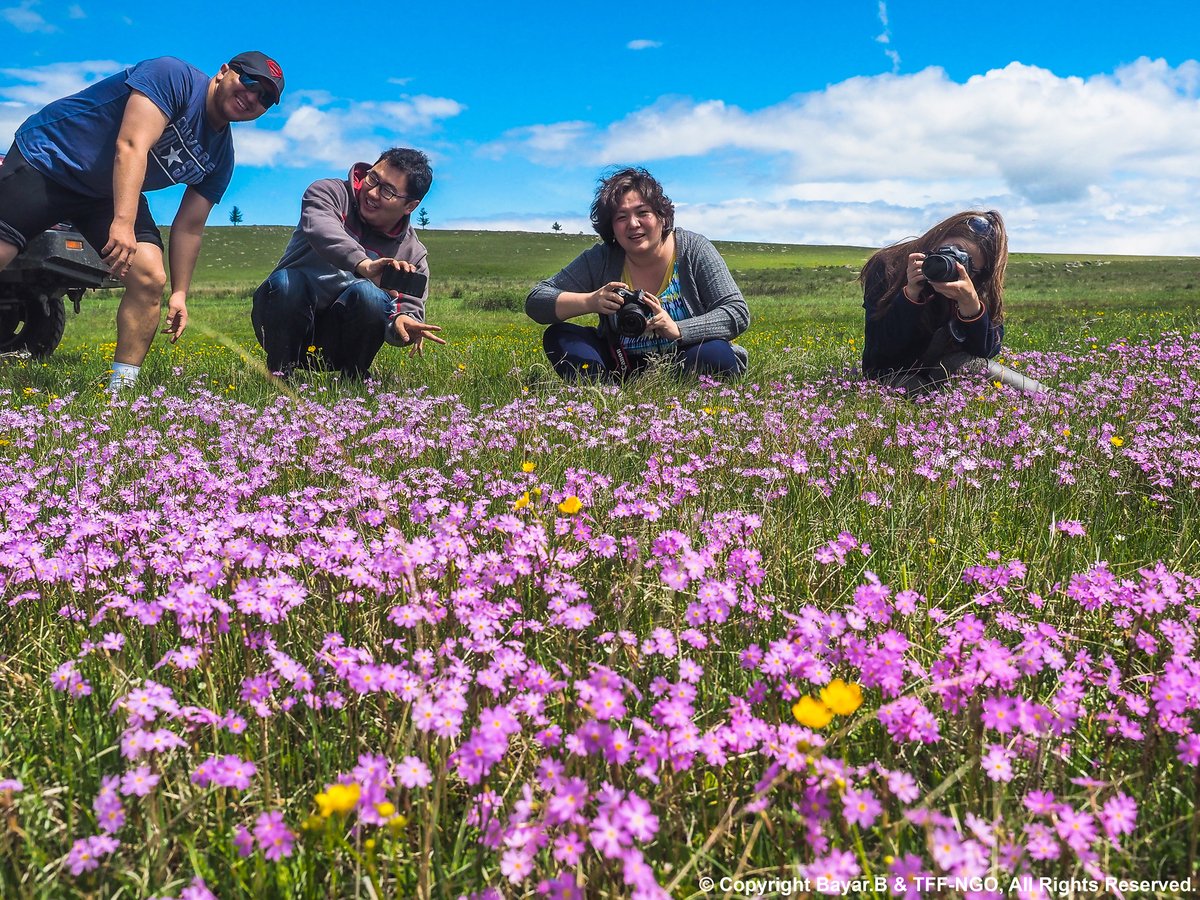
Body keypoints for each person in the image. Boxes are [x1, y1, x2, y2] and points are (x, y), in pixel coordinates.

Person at [0, 52, 285, 390]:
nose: (253, 96)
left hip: (102, 194)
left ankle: (122, 394)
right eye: (250, 81)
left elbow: (189, 227)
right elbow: (132, 145)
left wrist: (179, 294)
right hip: (50, 159)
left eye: (266, 97)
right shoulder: (172, 76)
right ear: (224, 71)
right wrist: (123, 222)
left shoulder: (221, 158)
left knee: (150, 277)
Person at [526, 167, 749, 381]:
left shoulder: (693, 249)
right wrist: (591, 301)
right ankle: (605, 390)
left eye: (643, 213)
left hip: (686, 356)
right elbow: (536, 301)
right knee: (560, 336)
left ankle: (679, 386)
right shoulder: (603, 258)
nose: (633, 224)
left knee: (713, 354)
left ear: (662, 217)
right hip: (621, 363)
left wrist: (679, 329)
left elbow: (737, 312)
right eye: (621, 217)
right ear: (611, 227)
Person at [251, 148, 444, 380]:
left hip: (339, 343)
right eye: (373, 178)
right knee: (286, 281)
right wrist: (364, 265)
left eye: (387, 191)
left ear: (410, 206)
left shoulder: (412, 254)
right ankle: (280, 374)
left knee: (368, 294)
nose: (372, 192)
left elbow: (407, 310)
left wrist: (403, 323)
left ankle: (353, 378)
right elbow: (323, 230)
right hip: (281, 323)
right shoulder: (328, 192)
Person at [860, 209, 1045, 394]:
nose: (950, 263)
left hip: (950, 365)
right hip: (891, 371)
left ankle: (1048, 398)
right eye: (949, 251)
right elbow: (880, 349)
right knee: (921, 394)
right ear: (938, 237)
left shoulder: (978, 283)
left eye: (965, 263)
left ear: (979, 272)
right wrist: (910, 295)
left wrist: (971, 306)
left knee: (978, 369)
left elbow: (986, 353)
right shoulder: (888, 265)